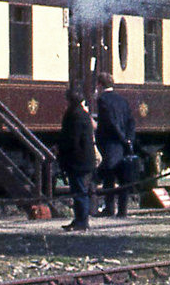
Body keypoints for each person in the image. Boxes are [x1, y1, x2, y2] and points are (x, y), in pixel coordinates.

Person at [93, 74, 137, 218]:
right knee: (123, 177)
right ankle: (122, 210)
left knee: (109, 176)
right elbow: (131, 121)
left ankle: (109, 207)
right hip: (123, 144)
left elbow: (111, 122)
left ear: (100, 85)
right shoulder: (122, 100)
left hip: (111, 143)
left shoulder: (102, 100)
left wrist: (121, 138)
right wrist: (129, 139)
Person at [58, 88, 98, 232]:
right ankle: (79, 219)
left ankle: (82, 221)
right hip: (84, 159)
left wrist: (64, 155)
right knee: (80, 190)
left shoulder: (74, 115)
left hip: (78, 160)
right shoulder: (82, 114)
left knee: (79, 191)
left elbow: (73, 139)